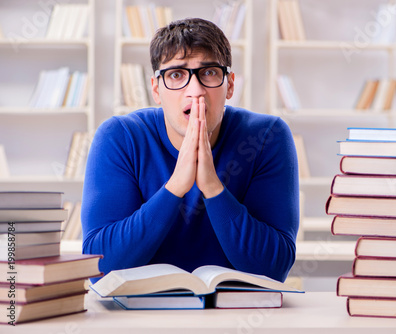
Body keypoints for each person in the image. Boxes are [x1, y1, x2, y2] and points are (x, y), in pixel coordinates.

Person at [81, 18, 299, 283]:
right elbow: (100, 268)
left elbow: (274, 269)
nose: (195, 91)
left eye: (208, 73)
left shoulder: (267, 136)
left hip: (235, 315)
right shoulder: (119, 137)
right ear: (156, 90)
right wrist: (174, 188)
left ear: (229, 85)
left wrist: (213, 187)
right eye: (176, 75)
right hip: (139, 318)